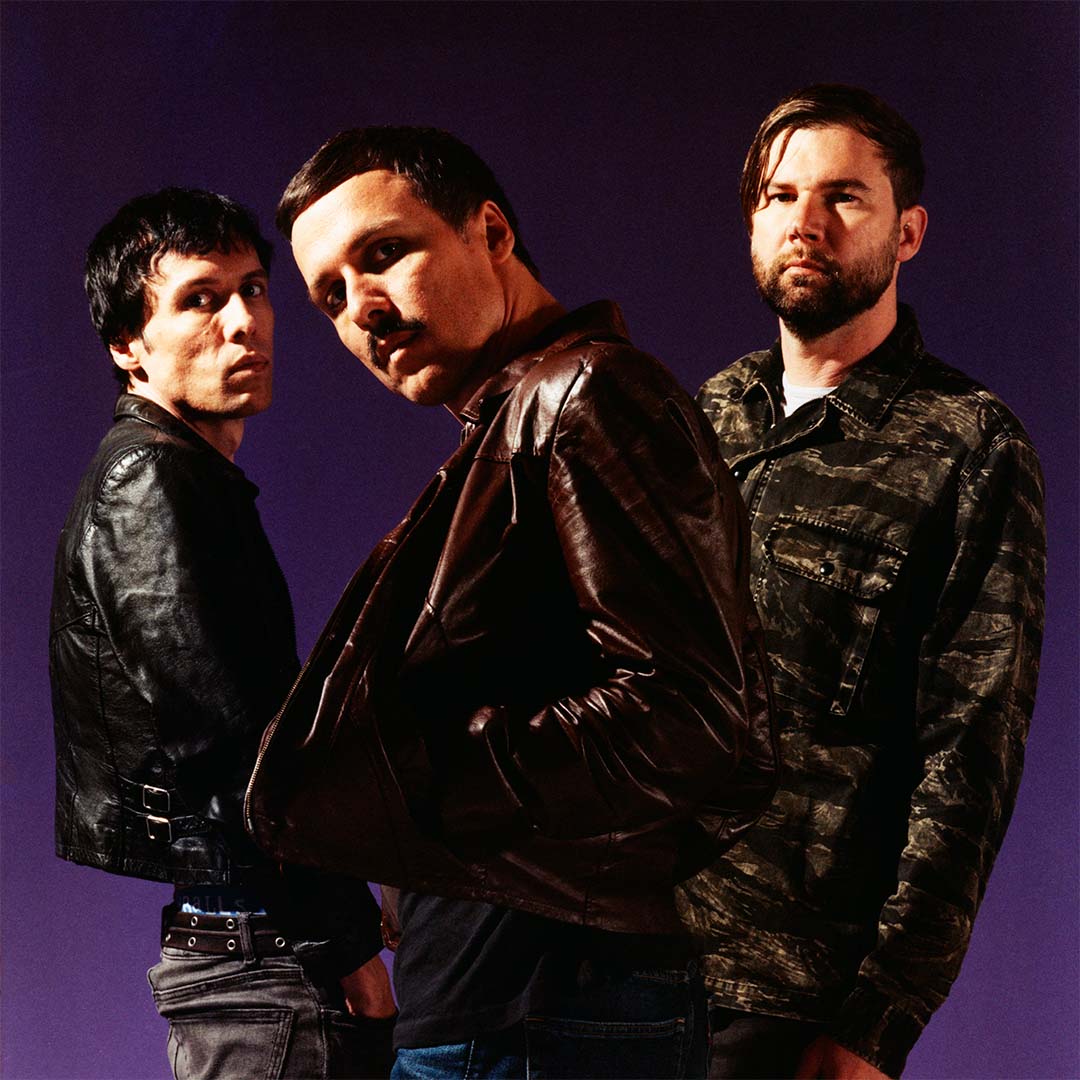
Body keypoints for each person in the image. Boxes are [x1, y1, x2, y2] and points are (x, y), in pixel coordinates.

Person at [245, 126, 779, 1080]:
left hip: (543, 1018)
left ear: (490, 231)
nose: (363, 308)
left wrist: (421, 783)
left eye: (384, 253)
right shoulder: (519, 416)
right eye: (331, 296)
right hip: (503, 1011)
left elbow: (690, 717)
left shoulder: (588, 397)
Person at [676, 84, 1047, 1079]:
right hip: (617, 971)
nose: (805, 221)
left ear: (908, 231)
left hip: (784, 1000)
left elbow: (969, 755)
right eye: (780, 196)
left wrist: (880, 1022)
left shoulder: (967, 444)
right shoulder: (705, 417)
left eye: (844, 196)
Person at [50, 188, 396, 1080]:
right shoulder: (149, 481)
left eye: (254, 289)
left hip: (260, 952)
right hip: (266, 962)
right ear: (128, 346)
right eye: (200, 299)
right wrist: (349, 946)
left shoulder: (188, 478)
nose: (243, 322)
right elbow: (233, 748)